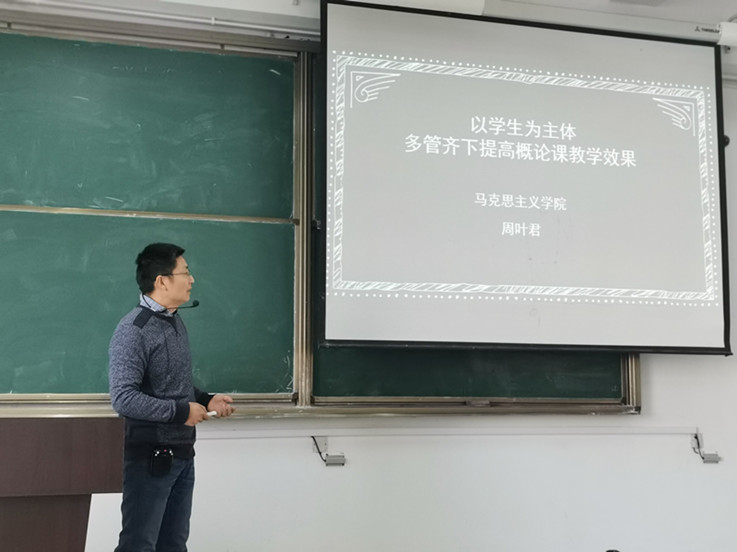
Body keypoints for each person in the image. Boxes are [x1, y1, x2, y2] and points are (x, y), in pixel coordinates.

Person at [109, 242, 234, 552]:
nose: (192, 279)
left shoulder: (175, 321)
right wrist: (181, 412)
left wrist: (206, 400)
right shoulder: (133, 330)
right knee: (138, 545)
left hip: (182, 454)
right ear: (162, 281)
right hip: (149, 458)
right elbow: (123, 398)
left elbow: (174, 386)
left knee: (174, 545)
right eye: (185, 272)